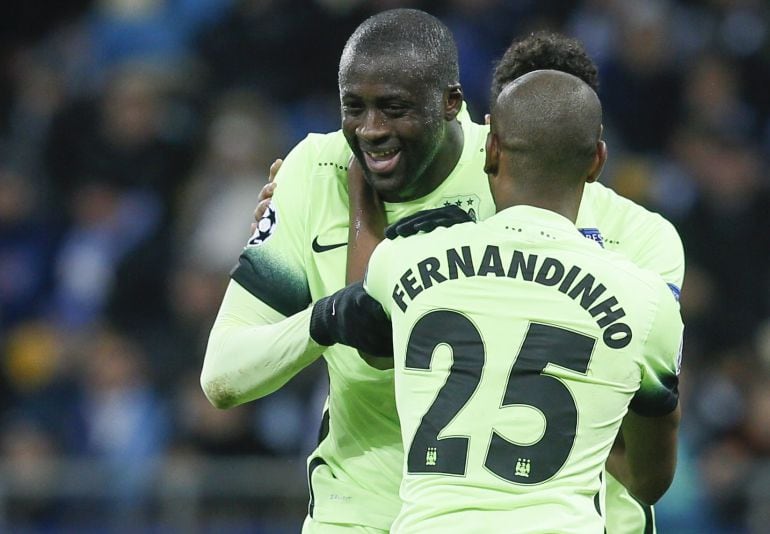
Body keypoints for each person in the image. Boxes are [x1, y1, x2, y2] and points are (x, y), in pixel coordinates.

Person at [201, 10, 684, 531]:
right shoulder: (315, 170)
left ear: (456, 108)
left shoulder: (535, 180)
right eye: (353, 107)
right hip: (364, 509)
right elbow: (224, 375)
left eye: (393, 108)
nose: (370, 131)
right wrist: (325, 319)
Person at [342, 69, 683, 533]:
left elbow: (366, 344)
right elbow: (649, 482)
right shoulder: (646, 302)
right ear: (597, 160)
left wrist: (361, 200)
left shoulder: (404, 259)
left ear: (492, 148)